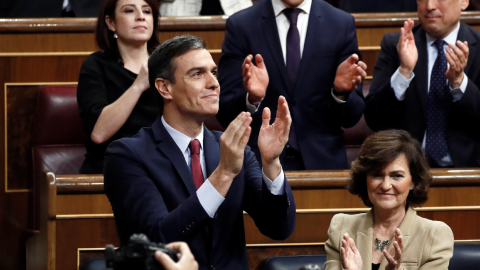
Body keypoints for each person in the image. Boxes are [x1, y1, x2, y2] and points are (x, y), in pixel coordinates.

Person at [104, 35, 296, 270]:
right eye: (198, 74)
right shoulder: (127, 155)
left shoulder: (236, 151)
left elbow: (279, 228)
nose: (214, 83)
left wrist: (272, 163)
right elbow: (159, 237)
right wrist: (223, 174)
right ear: (165, 88)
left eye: (213, 72)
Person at [217, 0, 367, 170]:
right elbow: (224, 111)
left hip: (322, 163)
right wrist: (252, 99)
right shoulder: (241, 25)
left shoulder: (340, 23)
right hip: (258, 164)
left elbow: (352, 116)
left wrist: (340, 93)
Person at [364, 0, 480, 167]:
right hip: (408, 170)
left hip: (469, 171)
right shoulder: (396, 45)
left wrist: (459, 82)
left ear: (463, 2)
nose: (430, 6)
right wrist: (404, 72)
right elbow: (374, 118)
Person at [324, 130, 454, 270]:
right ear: (365, 179)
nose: (385, 186)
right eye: (377, 175)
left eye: (397, 176)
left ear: (413, 182)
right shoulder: (342, 227)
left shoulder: (435, 235)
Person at [77, 0, 160, 173]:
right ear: (111, 22)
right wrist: (138, 86)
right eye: (130, 11)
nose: (140, 17)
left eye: (147, 11)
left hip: (160, 168)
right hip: (111, 170)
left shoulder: (168, 65)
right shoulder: (96, 66)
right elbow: (98, 134)